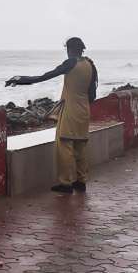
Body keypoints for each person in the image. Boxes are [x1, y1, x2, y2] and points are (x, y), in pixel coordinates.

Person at [6, 37, 99, 193]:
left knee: (64, 146)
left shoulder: (71, 63)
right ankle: (81, 181)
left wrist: (20, 80)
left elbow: (44, 76)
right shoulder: (89, 64)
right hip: (84, 110)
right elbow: (92, 95)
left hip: (70, 111)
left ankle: (66, 183)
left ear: (70, 49)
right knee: (80, 146)